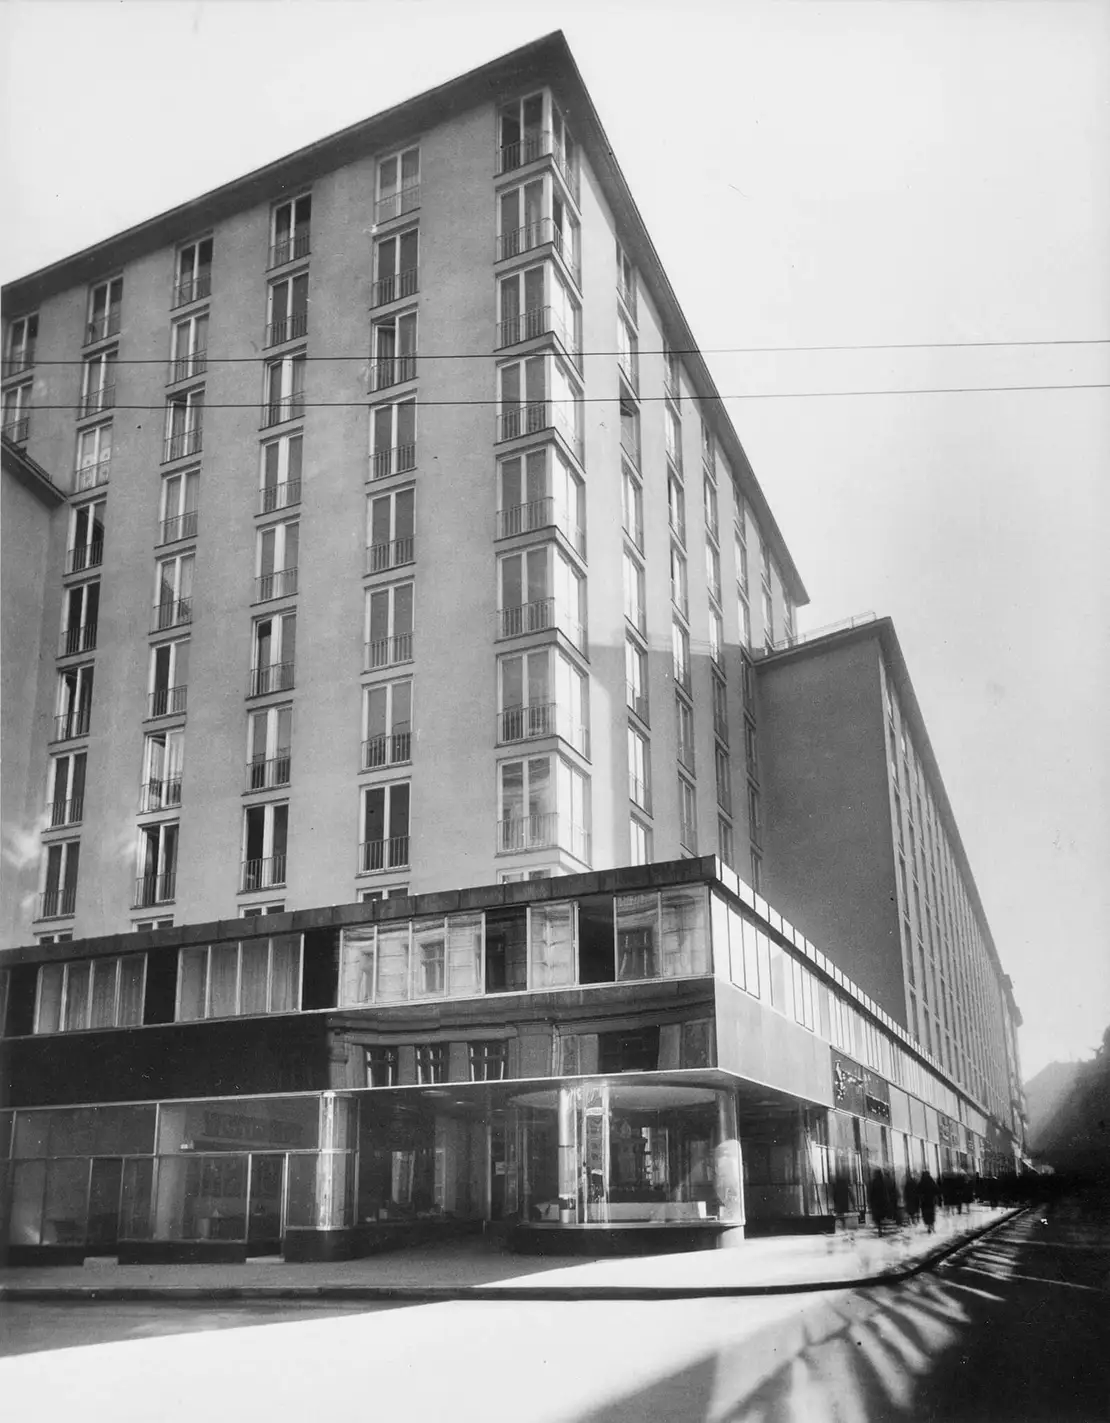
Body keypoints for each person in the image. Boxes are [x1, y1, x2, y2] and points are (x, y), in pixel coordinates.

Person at [868, 1169, 890, 1236]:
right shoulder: (882, 1182)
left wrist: (870, 1202)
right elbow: (885, 1193)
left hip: (876, 1203)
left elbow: (871, 1193)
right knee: (881, 1216)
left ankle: (880, 1229)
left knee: (877, 1218)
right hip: (882, 1202)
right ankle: (881, 1229)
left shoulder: (873, 1182)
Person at [919, 1169, 938, 1234]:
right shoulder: (931, 1181)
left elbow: (918, 1191)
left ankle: (929, 1227)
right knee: (931, 1214)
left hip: (924, 1202)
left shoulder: (921, 1182)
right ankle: (932, 1226)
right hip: (931, 1201)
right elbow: (937, 1190)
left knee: (926, 1214)